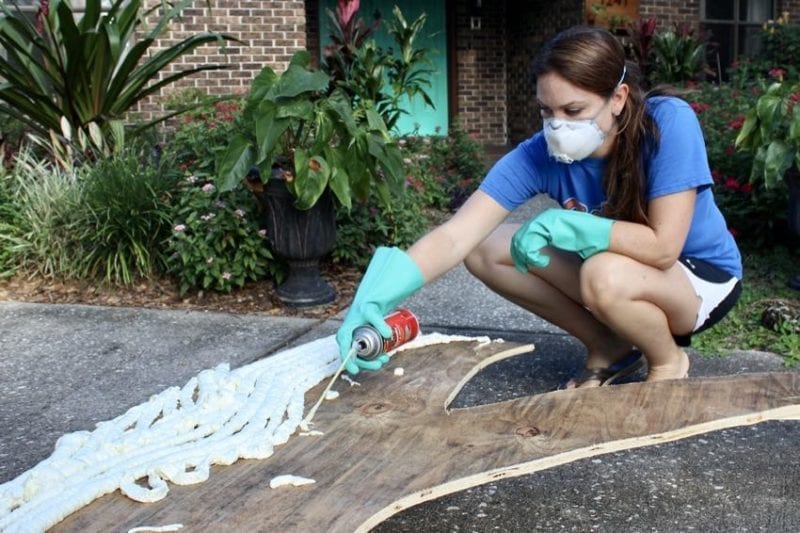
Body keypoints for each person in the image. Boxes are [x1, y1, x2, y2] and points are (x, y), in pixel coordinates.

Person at [335, 26, 742, 387]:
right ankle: (610, 347)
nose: (558, 125)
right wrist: (378, 297)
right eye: (546, 111)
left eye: (574, 110)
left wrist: (569, 225)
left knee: (603, 273)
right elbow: (456, 235)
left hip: (698, 278)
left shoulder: (667, 123)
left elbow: (664, 247)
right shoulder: (538, 155)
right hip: (621, 269)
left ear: (617, 98)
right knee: (486, 248)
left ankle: (668, 362)